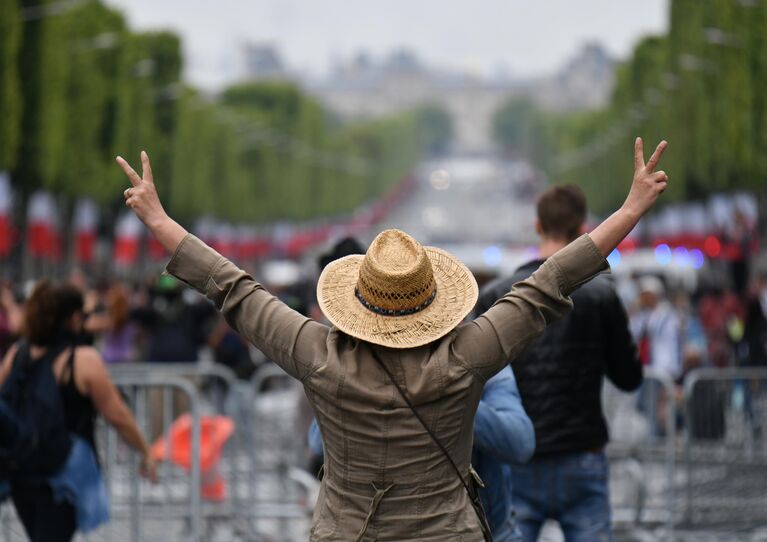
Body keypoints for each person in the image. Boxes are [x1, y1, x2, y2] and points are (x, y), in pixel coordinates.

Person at [116, 137, 669, 540]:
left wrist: (160, 219)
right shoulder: (467, 358)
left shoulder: (318, 357)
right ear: (433, 301)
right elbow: (548, 285)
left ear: (356, 302)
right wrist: (629, 210)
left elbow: (235, 292)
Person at [476, 185, 643, 542]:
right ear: (583, 227)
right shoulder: (601, 295)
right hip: (583, 452)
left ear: (537, 225)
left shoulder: (497, 295)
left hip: (518, 458)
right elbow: (629, 377)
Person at [0, 281, 157, 542]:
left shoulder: (18, 353)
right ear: (73, 318)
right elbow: (116, 414)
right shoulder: (82, 359)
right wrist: (145, 450)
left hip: (21, 469)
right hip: (62, 473)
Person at [308, 365, 535, 541]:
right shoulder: (361, 362)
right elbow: (318, 442)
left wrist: (450, 399)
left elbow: (520, 442)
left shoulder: (483, 358)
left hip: (487, 529)